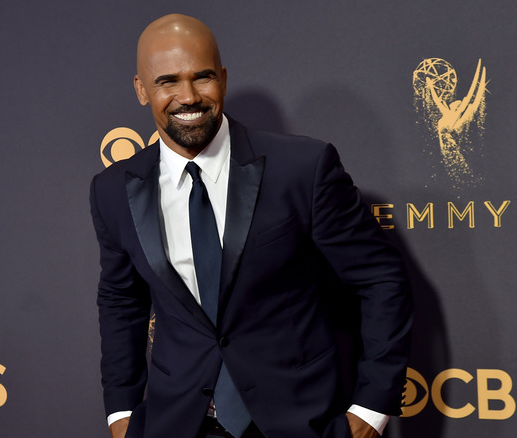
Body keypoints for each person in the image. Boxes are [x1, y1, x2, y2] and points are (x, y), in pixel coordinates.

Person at [89, 14, 412, 438]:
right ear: (141, 88)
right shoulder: (113, 189)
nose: (188, 97)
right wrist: (121, 412)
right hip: (177, 422)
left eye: (201, 77)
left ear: (222, 78)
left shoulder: (302, 169)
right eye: (168, 81)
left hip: (298, 421)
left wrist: (372, 409)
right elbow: (121, 301)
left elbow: (380, 279)